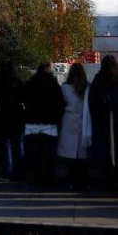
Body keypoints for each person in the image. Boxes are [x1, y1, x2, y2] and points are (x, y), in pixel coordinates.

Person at [22, 62, 64, 189]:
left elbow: (24, 98)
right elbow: (59, 104)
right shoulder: (53, 85)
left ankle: (37, 177)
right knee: (49, 153)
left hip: (33, 122)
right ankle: (49, 178)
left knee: (36, 151)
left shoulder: (30, 83)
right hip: (49, 122)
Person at [0, 59, 25, 182]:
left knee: (5, 145)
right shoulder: (18, 83)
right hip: (16, 116)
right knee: (18, 145)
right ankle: (19, 172)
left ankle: (7, 172)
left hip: (1, 116)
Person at [57, 62, 90, 191]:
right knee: (82, 156)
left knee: (70, 156)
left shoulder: (65, 88)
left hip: (69, 121)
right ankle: (83, 182)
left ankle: (72, 181)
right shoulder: (87, 88)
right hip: (83, 122)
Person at [87, 54, 118, 191]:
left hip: (102, 124)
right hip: (112, 123)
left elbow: (92, 102)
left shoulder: (98, 80)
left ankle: (107, 181)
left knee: (105, 154)